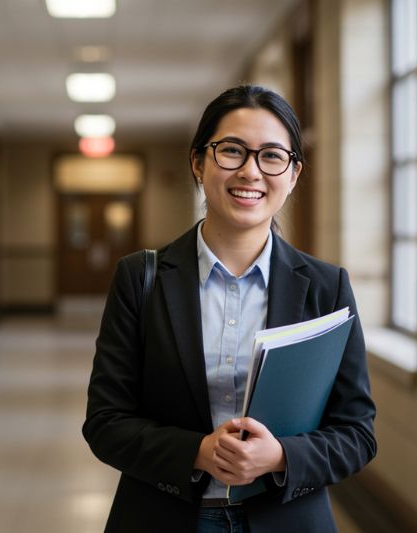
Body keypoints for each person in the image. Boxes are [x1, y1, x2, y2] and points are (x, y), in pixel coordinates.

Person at [82, 85, 376, 533]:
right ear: (199, 163)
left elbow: (357, 433)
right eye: (232, 151)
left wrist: (280, 456)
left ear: (293, 173)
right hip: (164, 516)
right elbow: (105, 422)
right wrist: (197, 452)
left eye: (272, 156)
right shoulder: (141, 279)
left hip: (286, 520)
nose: (251, 172)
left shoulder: (326, 287)